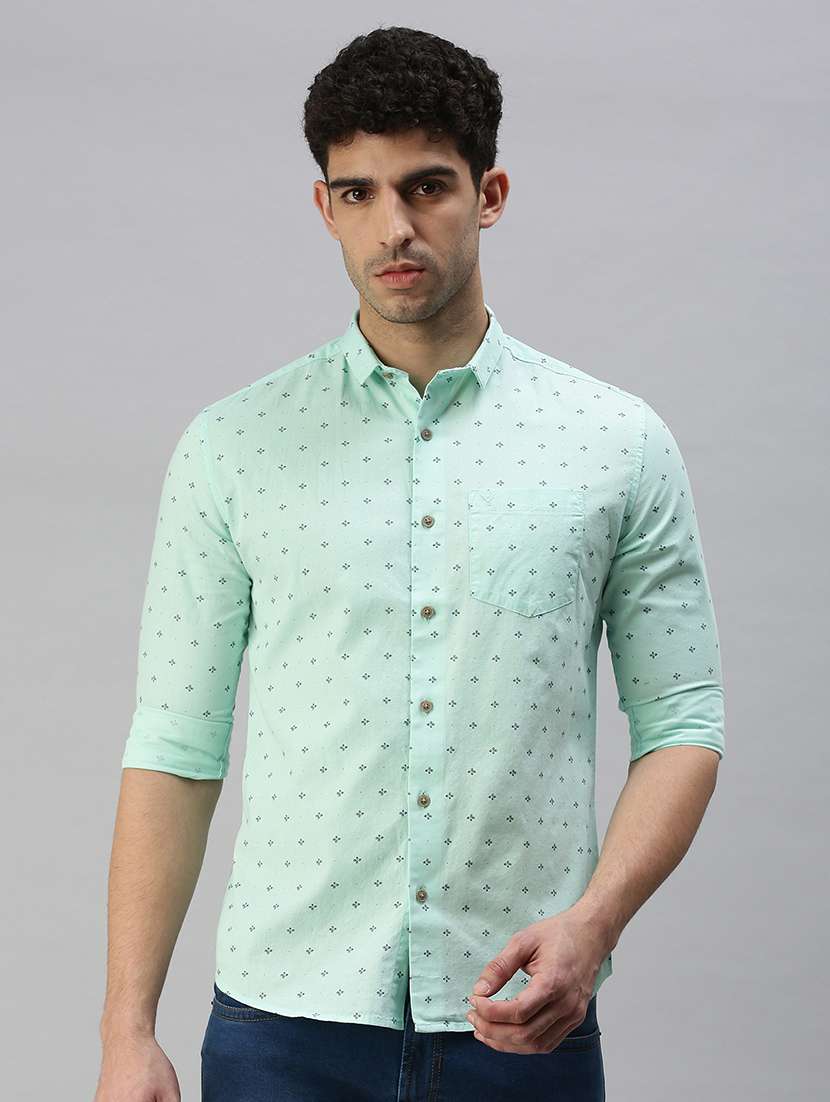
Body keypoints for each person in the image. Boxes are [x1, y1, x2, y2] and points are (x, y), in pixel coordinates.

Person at [95, 25, 725, 1102]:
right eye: (359, 193)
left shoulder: (614, 444)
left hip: (523, 1012)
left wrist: (594, 923)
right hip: (279, 1026)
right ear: (324, 207)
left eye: (427, 186)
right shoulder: (234, 448)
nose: (393, 225)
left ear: (489, 194)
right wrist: (126, 1029)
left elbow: (683, 723)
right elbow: (174, 746)